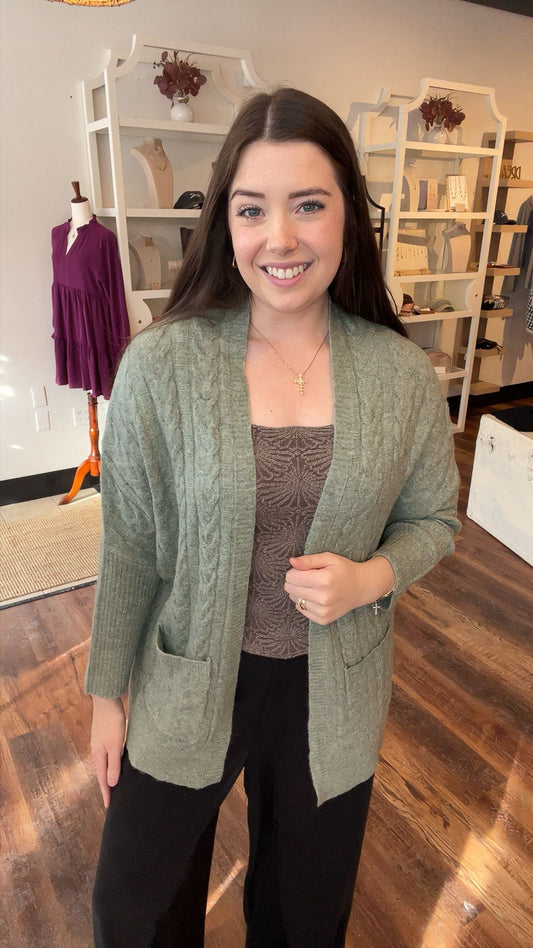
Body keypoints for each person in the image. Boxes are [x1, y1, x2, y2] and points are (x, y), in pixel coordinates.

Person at [86, 87, 460, 947]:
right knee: (133, 908)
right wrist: (107, 693)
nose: (279, 238)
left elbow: (435, 519)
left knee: (302, 913)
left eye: (309, 205)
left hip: (332, 689)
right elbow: (132, 542)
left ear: (347, 219)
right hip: (189, 673)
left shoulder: (400, 375)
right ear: (225, 221)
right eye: (253, 209)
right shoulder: (163, 365)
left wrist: (372, 576)